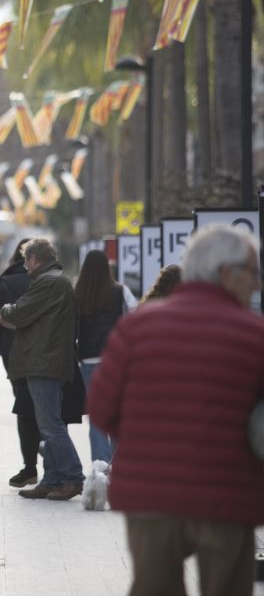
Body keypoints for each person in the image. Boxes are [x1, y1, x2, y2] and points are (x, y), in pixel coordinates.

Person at [88, 226, 264, 596]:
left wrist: (146, 438)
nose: (258, 283)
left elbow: (101, 409)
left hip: (151, 497)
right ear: (225, 273)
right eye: (253, 271)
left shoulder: (138, 326)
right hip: (228, 497)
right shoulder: (253, 334)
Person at [0, 238, 84, 500]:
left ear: (35, 259)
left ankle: (73, 476)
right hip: (51, 361)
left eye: (26, 261)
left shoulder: (48, 282)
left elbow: (18, 312)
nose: (25, 267)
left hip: (44, 362)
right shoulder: (58, 280)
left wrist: (5, 311)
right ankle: (52, 478)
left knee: (50, 426)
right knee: (50, 424)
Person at [0, 239, 40, 487]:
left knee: (25, 407)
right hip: (46, 353)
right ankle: (50, 457)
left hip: (14, 354)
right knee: (46, 406)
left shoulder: (8, 281)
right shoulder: (52, 280)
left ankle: (30, 466)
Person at [74, 250, 131, 463]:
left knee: (96, 417)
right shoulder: (120, 291)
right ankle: (118, 462)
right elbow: (135, 314)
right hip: (113, 360)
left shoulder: (78, 293)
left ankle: (101, 465)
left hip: (87, 360)